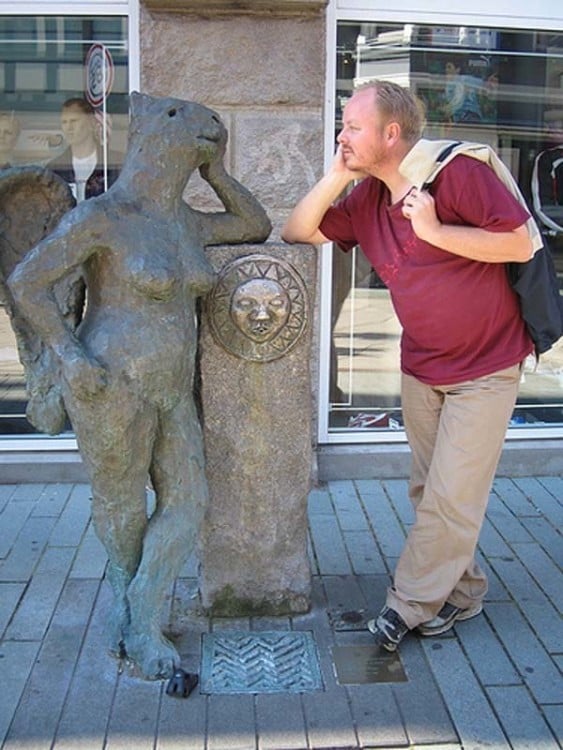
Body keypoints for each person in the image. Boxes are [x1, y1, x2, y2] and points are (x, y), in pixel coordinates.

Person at [8, 92, 271, 679]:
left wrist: (218, 172)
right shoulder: (103, 217)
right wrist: (69, 356)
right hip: (110, 383)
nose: (206, 128)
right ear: (155, 135)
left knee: (190, 500)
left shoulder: (183, 222)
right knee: (123, 507)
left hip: (172, 389)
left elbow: (255, 223)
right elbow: (28, 282)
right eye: (186, 121)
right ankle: (137, 626)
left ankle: (136, 613)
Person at [282, 80, 534, 652]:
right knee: (431, 492)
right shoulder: (368, 199)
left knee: (450, 496)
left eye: (352, 126)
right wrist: (337, 176)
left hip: (488, 367)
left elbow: (519, 243)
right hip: (422, 368)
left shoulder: (456, 174)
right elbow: (298, 231)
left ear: (391, 135)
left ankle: (408, 605)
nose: (342, 134)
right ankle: (463, 593)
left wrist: (437, 231)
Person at [48, 97, 120, 201]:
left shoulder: (115, 163)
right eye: (64, 122)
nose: (69, 128)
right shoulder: (54, 170)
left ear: (91, 122)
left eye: (74, 121)